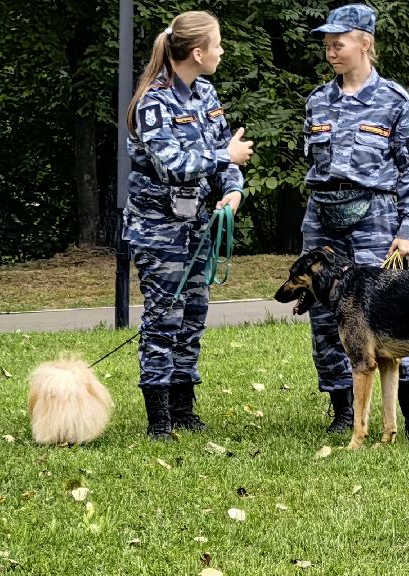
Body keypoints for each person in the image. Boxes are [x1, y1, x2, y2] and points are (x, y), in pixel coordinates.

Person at [299, 4, 409, 444]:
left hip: (376, 216)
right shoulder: (317, 100)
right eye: (326, 46)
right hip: (323, 216)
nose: (331, 52)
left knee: (389, 311)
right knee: (328, 317)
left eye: (338, 44)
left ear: (365, 42)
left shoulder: (394, 100)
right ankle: (344, 409)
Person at [124, 10, 251, 439]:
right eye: (216, 44)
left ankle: (183, 407)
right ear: (197, 52)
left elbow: (222, 149)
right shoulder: (154, 102)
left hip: (197, 227)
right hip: (158, 230)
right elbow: (171, 165)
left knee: (193, 316)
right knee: (164, 319)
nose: (221, 51)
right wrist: (225, 159)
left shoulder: (205, 93)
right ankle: (158, 418)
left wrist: (232, 188)